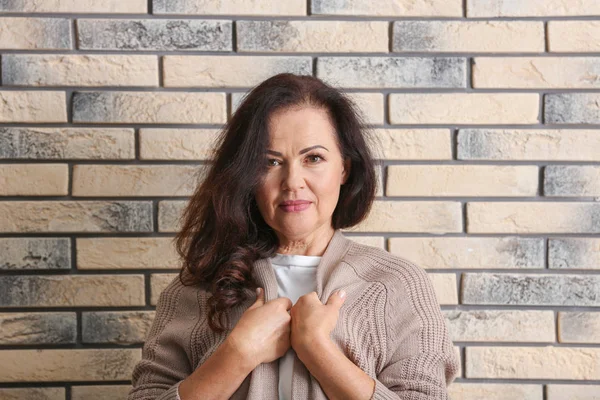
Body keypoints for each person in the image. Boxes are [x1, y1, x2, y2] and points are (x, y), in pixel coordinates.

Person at [127, 73, 459, 400]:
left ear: (344, 168)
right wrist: (237, 353)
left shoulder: (396, 284)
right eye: (270, 162)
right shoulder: (198, 286)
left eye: (313, 158)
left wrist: (318, 349)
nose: (292, 181)